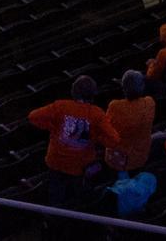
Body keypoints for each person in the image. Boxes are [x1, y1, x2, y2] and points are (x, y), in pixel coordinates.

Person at [26, 76, 106, 209]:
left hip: (59, 163)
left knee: (57, 195)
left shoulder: (62, 108)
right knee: (79, 195)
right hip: (80, 165)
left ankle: (56, 217)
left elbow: (33, 116)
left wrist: (52, 127)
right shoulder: (97, 114)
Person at [100, 72, 155, 175]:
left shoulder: (114, 106)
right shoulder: (150, 103)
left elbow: (106, 128)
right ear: (142, 87)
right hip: (141, 156)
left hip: (118, 160)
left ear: (123, 88)